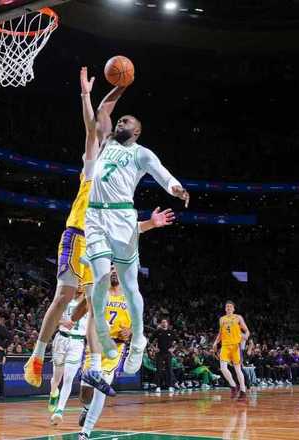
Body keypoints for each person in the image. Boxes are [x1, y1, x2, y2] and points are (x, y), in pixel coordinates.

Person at [83, 72, 189, 377]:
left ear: (137, 131)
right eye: (120, 121)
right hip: (95, 215)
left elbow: (161, 173)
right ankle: (103, 335)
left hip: (122, 219)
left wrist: (176, 188)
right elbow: (103, 111)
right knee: (100, 280)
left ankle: (139, 339)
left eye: (126, 121)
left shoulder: (141, 153)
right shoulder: (106, 142)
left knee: (129, 286)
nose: (120, 122)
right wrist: (120, 86)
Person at [23, 66, 101, 390]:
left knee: (95, 300)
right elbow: (91, 132)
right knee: (64, 295)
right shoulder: (93, 170)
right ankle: (37, 355)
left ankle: (94, 365)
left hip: (96, 247)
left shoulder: (118, 188)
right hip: (76, 236)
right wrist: (85, 96)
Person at [76, 268, 132, 440]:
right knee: (85, 392)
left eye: (117, 268)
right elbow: (82, 310)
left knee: (101, 389)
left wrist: (129, 331)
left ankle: (85, 432)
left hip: (115, 347)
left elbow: (137, 324)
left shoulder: (130, 295)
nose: (114, 271)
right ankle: (86, 408)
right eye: (111, 268)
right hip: (95, 345)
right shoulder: (99, 291)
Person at [48, 286, 87, 425]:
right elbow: (52, 317)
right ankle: (54, 392)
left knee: (68, 378)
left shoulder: (90, 302)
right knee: (56, 378)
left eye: (83, 283)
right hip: (61, 339)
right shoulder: (64, 299)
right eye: (78, 282)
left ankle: (59, 411)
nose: (80, 286)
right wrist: (62, 321)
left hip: (77, 342)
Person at [212, 301, 250, 401]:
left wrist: (246, 335)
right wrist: (215, 343)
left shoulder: (238, 317)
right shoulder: (222, 319)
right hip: (225, 346)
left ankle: (243, 391)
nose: (228, 308)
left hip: (235, 346)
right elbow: (220, 333)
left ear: (233, 309)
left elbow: (247, 331)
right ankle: (233, 386)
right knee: (223, 368)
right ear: (225, 309)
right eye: (227, 306)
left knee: (238, 369)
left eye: (230, 306)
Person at [151, 318, 176, 393]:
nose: (163, 323)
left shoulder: (171, 332)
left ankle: (170, 386)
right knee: (159, 370)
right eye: (162, 322)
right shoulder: (157, 331)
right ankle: (158, 386)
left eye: (165, 322)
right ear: (161, 324)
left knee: (169, 370)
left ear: (167, 323)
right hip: (159, 353)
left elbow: (178, 341)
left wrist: (173, 349)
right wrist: (154, 348)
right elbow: (150, 341)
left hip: (168, 353)